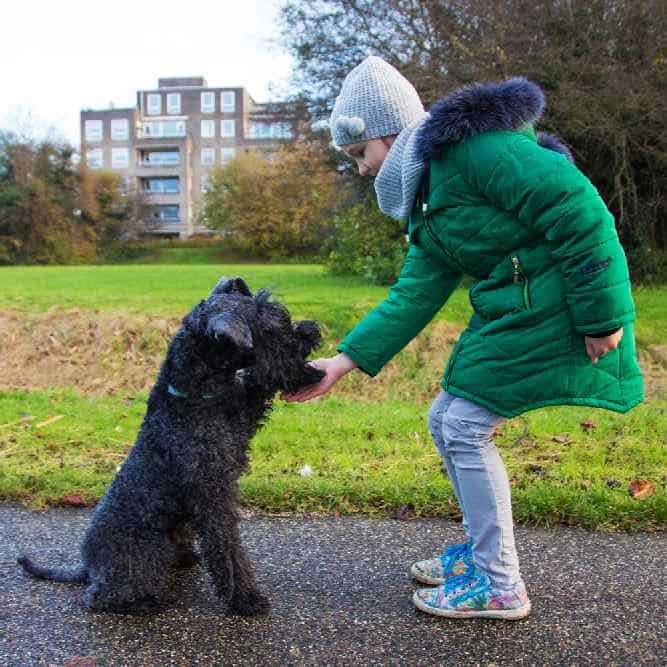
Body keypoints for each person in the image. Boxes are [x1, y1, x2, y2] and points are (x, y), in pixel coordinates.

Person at [284, 56, 644, 620]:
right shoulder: (429, 202)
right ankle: (482, 558)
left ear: (388, 134)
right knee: (445, 419)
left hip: (560, 305)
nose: (360, 170)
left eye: (359, 155)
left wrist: (602, 317)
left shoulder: (476, 152)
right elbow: (411, 297)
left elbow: (580, 209)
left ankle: (499, 584)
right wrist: (341, 364)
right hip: (517, 309)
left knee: (466, 426)